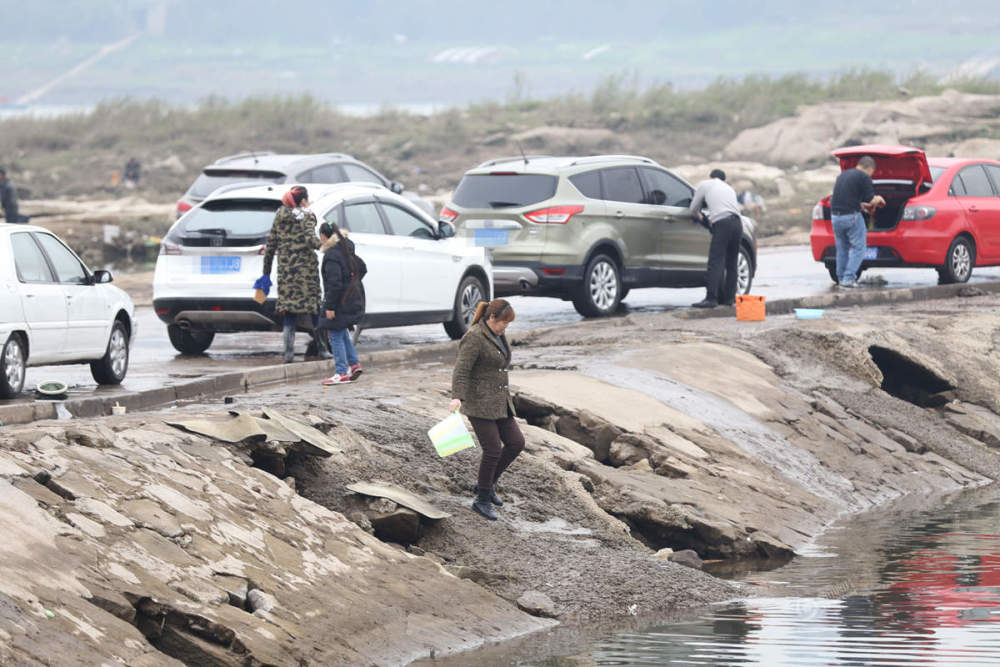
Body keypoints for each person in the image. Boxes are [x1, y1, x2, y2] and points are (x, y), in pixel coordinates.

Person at [449, 299, 524, 521]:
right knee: (492, 449)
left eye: (508, 325)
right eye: (503, 323)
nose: (505, 328)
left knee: (516, 443)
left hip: (499, 402)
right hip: (479, 402)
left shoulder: (497, 334)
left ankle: (487, 483)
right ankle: (481, 500)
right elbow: (461, 370)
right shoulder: (474, 337)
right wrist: (457, 397)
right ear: (491, 318)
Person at [261, 185, 330, 363]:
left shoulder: (279, 216)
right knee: (315, 311)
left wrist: (266, 273)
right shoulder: (307, 215)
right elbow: (310, 239)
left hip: (286, 273)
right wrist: (325, 245)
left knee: (289, 313)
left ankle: (289, 354)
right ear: (303, 201)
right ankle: (322, 350)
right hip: (306, 274)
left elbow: (270, 247)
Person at [317, 221, 366, 385]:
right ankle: (354, 365)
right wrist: (351, 284)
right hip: (351, 299)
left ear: (324, 236)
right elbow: (362, 268)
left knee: (335, 335)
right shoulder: (347, 250)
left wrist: (330, 307)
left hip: (339, 302)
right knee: (342, 333)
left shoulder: (332, 255)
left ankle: (340, 372)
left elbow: (334, 284)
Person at [689, 168, 742, 308]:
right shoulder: (729, 188)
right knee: (732, 263)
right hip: (737, 223)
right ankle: (729, 300)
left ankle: (711, 299)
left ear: (710, 177)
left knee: (715, 261)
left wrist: (702, 219)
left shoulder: (705, 184)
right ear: (725, 180)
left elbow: (693, 209)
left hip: (722, 223)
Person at [830, 155, 885, 288]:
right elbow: (872, 200)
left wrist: (861, 205)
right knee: (859, 248)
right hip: (851, 217)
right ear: (870, 168)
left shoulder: (843, 175)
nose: (871, 175)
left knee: (842, 248)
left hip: (836, 217)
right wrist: (879, 199)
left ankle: (841, 278)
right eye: (872, 172)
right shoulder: (864, 177)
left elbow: (844, 198)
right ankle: (849, 279)